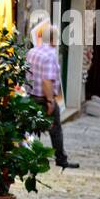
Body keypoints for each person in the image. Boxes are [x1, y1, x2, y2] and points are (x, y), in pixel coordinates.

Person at [26, 19, 79, 169]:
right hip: (43, 99)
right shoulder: (49, 55)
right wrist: (50, 101)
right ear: (54, 39)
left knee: (28, 127)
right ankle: (61, 159)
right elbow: (46, 81)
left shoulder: (32, 52)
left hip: (30, 97)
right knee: (55, 129)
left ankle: (24, 156)